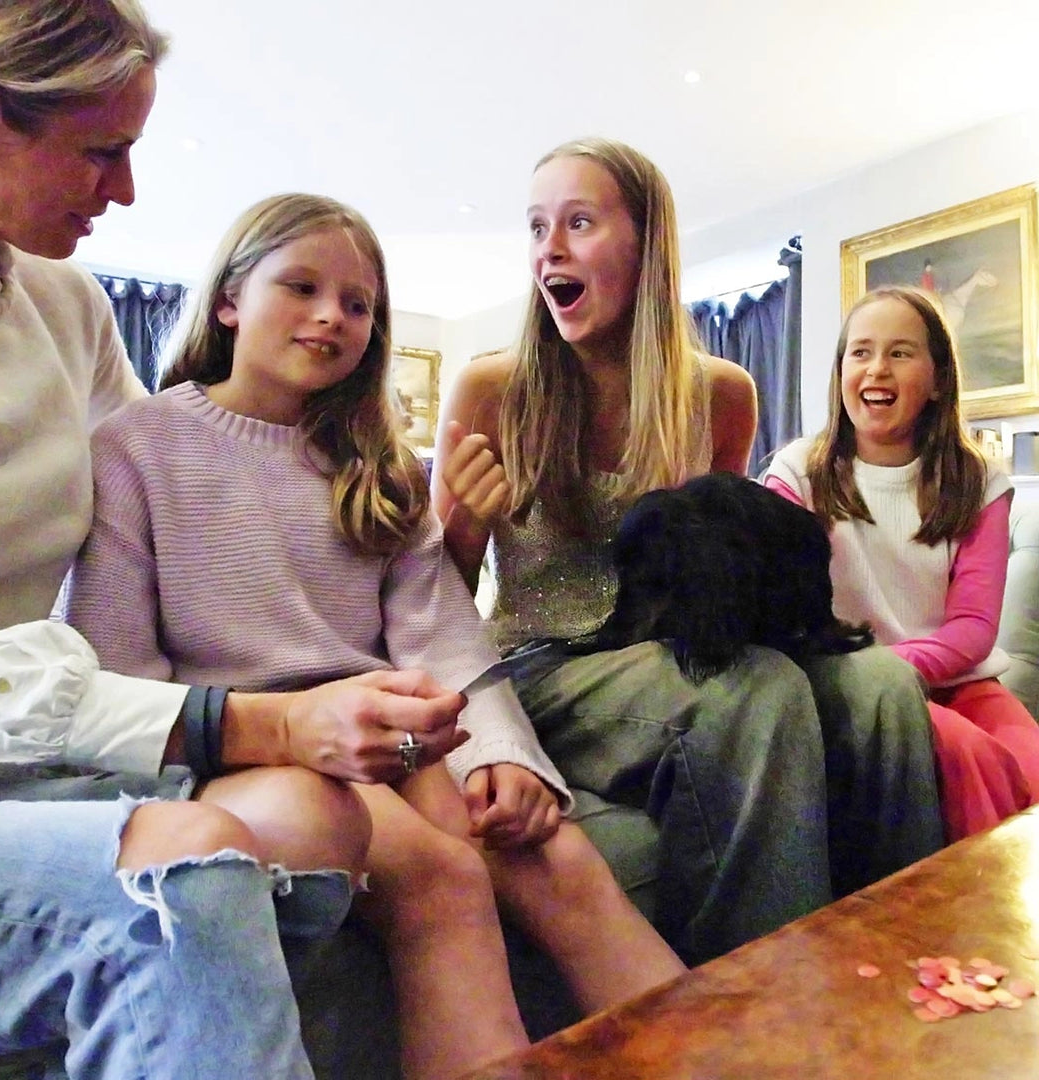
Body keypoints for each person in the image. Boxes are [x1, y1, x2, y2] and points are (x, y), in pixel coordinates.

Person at [65, 192, 687, 1080]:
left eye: (359, 305)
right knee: (444, 879)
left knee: (556, 854)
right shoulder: (136, 448)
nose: (332, 317)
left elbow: (441, 635)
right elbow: (116, 670)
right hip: (238, 748)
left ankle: (727, 1054)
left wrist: (506, 756)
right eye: (303, 287)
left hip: (388, 735)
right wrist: (262, 738)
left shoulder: (381, 467)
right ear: (232, 297)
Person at [0, 4, 469, 1077]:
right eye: (103, 152)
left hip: (15, 777)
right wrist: (270, 723)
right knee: (193, 870)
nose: (129, 192)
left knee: (324, 823)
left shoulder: (64, 306)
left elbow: (172, 480)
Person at [432, 136, 946, 964]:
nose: (549, 250)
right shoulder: (493, 389)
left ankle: (906, 973)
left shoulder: (718, 394)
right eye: (535, 228)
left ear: (647, 247)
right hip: (539, 664)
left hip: (671, 648)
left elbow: (723, 587)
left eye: (579, 222)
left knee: (883, 683)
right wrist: (461, 526)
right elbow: (434, 611)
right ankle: (763, 1020)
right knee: (753, 692)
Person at [764, 285, 1039, 840]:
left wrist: (900, 666)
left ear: (939, 379)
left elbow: (973, 629)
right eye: (860, 352)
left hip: (959, 681)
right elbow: (782, 615)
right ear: (840, 370)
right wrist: (878, 677)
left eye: (900, 352)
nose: (876, 370)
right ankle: (969, 918)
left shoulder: (979, 481)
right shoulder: (795, 476)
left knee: (1030, 764)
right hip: (852, 684)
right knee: (968, 758)